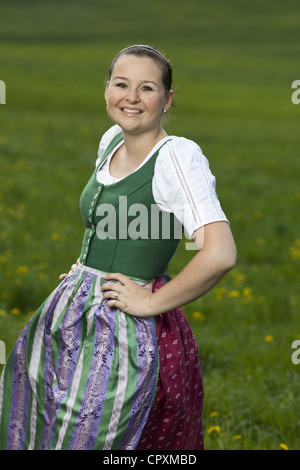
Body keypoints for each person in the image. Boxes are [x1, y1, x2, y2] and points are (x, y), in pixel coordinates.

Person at [0, 45, 237, 450]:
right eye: (121, 84)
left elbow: (220, 252)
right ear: (106, 89)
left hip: (124, 326)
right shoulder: (112, 140)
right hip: (74, 309)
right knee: (35, 414)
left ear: (167, 99)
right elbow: (106, 220)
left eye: (147, 88)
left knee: (92, 434)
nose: (131, 97)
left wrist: (148, 301)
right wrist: (85, 267)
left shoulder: (177, 157)